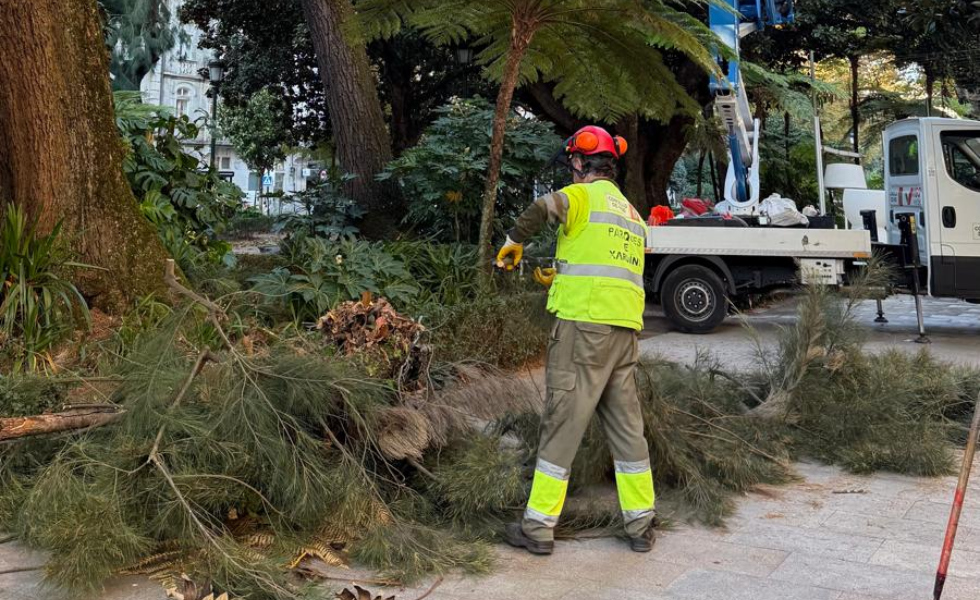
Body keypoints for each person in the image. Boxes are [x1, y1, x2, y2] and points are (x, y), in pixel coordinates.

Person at [495, 125, 656, 555]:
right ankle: (641, 525)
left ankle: (538, 529)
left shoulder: (582, 195)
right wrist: (560, 272)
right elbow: (607, 262)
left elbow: (542, 208)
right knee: (627, 431)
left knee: (562, 425)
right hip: (624, 334)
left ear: (583, 163)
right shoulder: (631, 214)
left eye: (574, 164)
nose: (573, 170)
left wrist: (513, 242)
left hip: (584, 330)